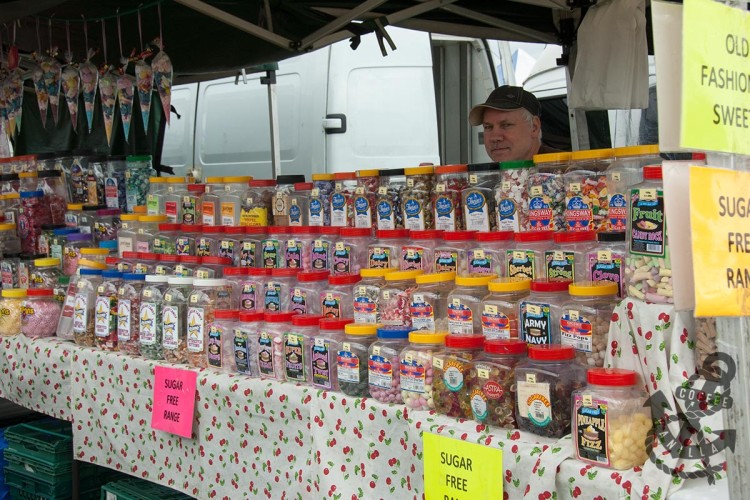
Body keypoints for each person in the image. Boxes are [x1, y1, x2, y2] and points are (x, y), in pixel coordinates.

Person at [469, 85, 558, 162]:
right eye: (488, 127)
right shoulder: (490, 178)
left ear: (534, 127)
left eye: (506, 125)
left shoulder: (566, 173)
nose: (495, 137)